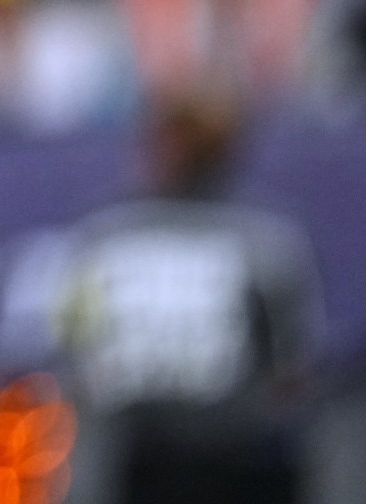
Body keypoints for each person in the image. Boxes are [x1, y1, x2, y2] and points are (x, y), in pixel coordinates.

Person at [40, 90, 319, 504]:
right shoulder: (265, 241)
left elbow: (66, 348)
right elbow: (291, 372)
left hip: (140, 460)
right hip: (209, 458)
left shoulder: (103, 239)